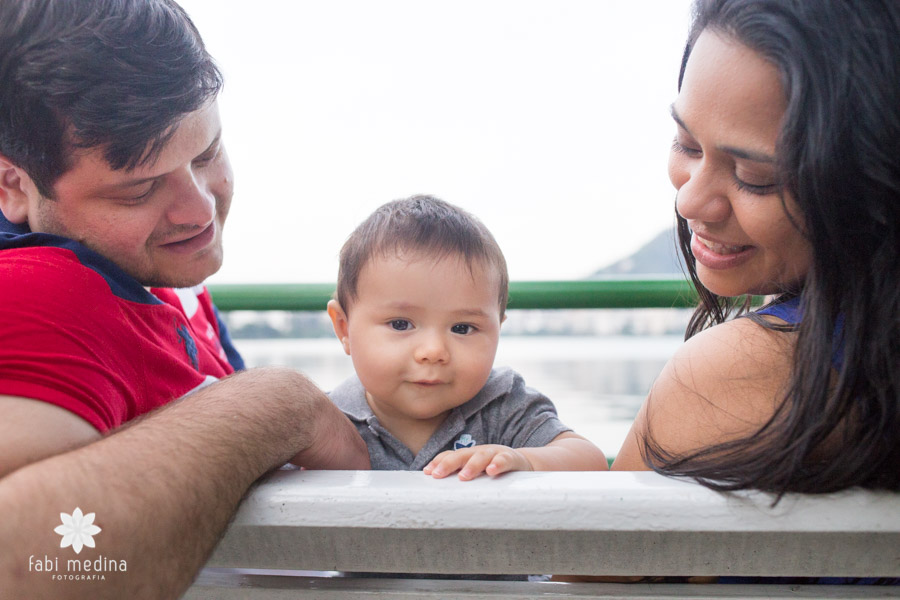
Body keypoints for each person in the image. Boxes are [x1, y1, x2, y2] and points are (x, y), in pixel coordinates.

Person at [0, 1, 369, 598]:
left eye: (206, 154)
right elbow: (24, 570)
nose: (200, 211)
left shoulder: (158, 275)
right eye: (139, 189)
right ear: (13, 185)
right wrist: (277, 405)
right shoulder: (35, 292)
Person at [612, 0, 900, 501]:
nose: (689, 200)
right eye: (686, 145)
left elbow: (580, 569)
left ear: (871, 180)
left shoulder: (741, 371)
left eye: (755, 178)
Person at [326, 195, 608, 479]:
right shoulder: (324, 421)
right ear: (344, 328)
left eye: (462, 328)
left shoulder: (503, 405)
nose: (433, 351)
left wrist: (523, 459)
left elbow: (591, 461)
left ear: (498, 328)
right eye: (401, 324)